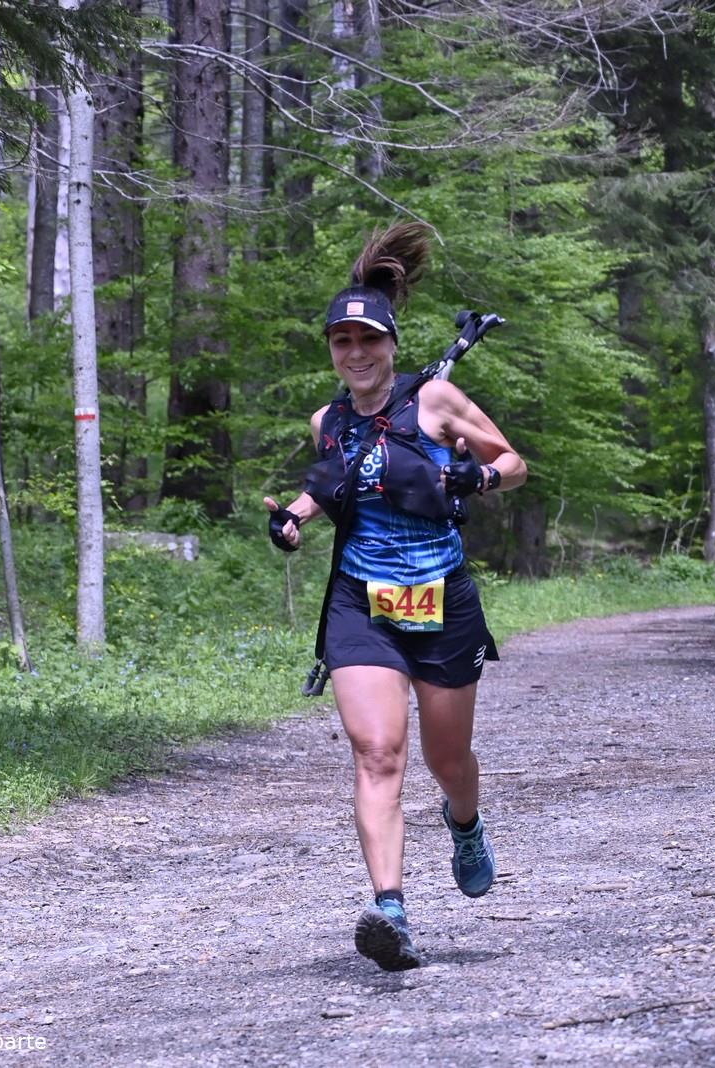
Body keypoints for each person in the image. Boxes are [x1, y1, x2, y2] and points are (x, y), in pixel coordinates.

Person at [262, 222, 526, 971]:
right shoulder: (329, 422)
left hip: (441, 600)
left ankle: (465, 824)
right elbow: (333, 486)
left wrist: (476, 477)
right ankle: (390, 910)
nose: (356, 353)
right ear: (331, 351)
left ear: (389, 343)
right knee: (378, 753)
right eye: (341, 342)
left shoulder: (435, 400)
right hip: (361, 603)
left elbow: (514, 463)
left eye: (368, 340)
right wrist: (293, 520)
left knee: (448, 759)